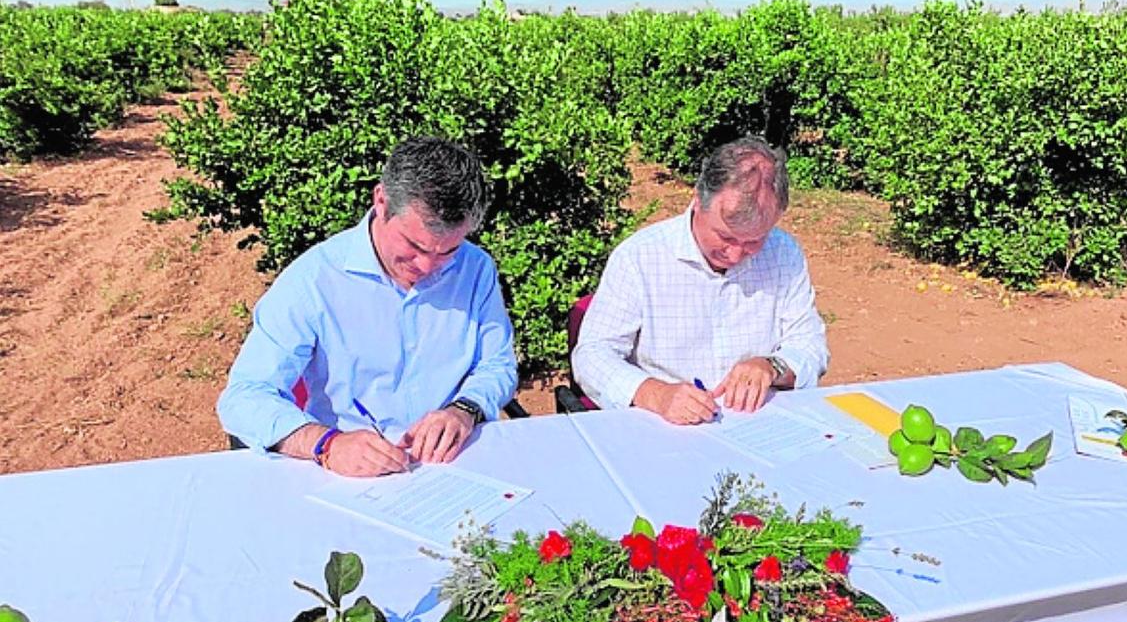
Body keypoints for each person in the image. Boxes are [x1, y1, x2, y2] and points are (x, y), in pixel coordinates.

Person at [218, 137, 518, 476]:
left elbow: (497, 365)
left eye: (447, 252)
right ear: (381, 201)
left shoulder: (475, 268)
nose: (426, 266)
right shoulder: (313, 280)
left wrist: (464, 410)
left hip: (455, 467)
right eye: (414, 245)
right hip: (347, 475)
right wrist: (326, 444)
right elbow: (245, 397)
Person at [572, 136, 828, 425]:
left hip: (757, 423)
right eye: (725, 236)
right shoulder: (640, 257)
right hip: (662, 426)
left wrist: (772, 366)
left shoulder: (784, 253)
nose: (735, 255)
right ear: (697, 200)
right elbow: (592, 355)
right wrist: (656, 394)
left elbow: (810, 344)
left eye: (754, 241)